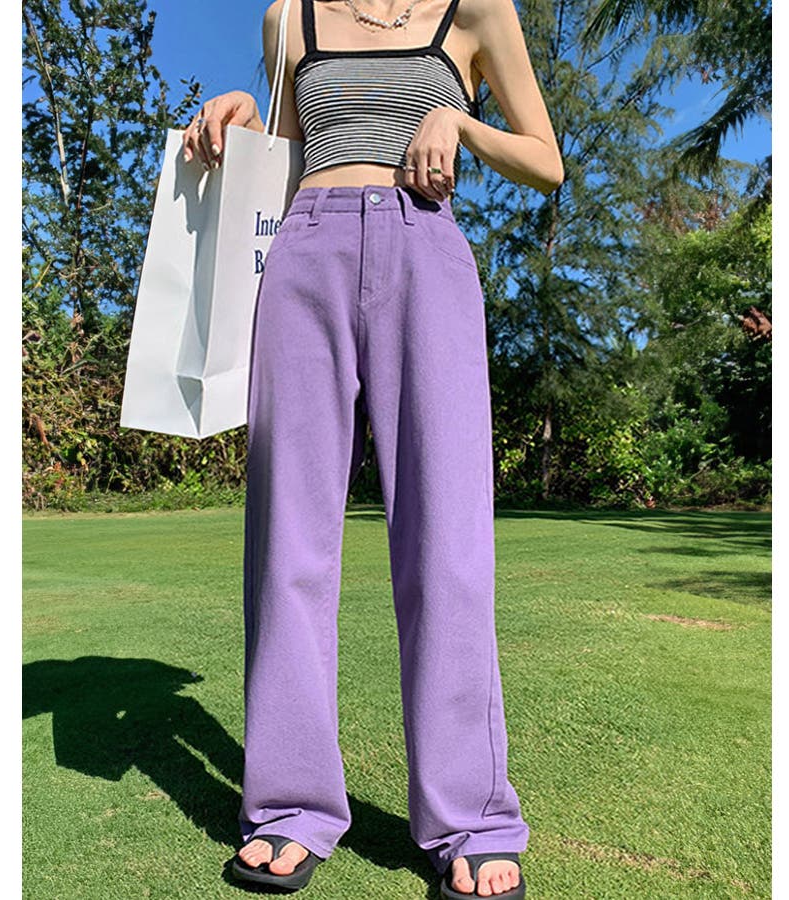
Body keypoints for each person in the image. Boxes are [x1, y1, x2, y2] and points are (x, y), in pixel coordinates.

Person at [182, 0, 563, 896]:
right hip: (303, 255)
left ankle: (471, 817)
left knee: (447, 545)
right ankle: (290, 806)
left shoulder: (477, 10)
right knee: (289, 545)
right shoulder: (289, 16)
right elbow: (282, 167)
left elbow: (546, 161)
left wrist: (461, 124)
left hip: (425, 249)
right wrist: (246, 121)